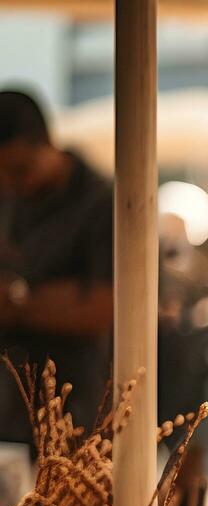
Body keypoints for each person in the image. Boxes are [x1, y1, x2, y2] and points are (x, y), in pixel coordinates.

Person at [0, 89, 112, 446]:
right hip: (9, 410)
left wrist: (18, 304)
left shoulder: (102, 202)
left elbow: (101, 307)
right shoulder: (9, 196)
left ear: (47, 143)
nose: (11, 184)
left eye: (20, 170)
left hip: (74, 411)